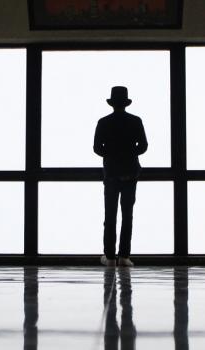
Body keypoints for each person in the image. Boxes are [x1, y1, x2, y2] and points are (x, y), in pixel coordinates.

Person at [93, 86, 148, 267]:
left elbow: (97, 148)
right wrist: (129, 153)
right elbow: (143, 146)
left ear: (112, 103)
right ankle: (124, 256)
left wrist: (111, 154)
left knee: (110, 216)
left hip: (111, 174)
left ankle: (109, 257)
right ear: (126, 103)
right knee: (127, 215)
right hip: (130, 173)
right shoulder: (135, 121)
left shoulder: (103, 122)